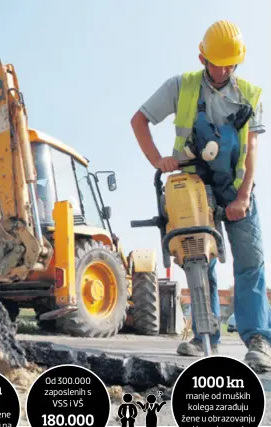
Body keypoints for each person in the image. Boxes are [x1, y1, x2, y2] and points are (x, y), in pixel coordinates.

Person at [130, 19, 271, 371]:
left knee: (250, 262)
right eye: (215, 62)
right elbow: (139, 120)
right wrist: (158, 159)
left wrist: (243, 196)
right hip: (193, 186)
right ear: (201, 57)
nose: (222, 70)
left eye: (229, 63)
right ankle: (203, 335)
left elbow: (252, 150)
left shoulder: (251, 93)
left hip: (237, 188)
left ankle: (258, 338)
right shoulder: (182, 86)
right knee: (198, 258)